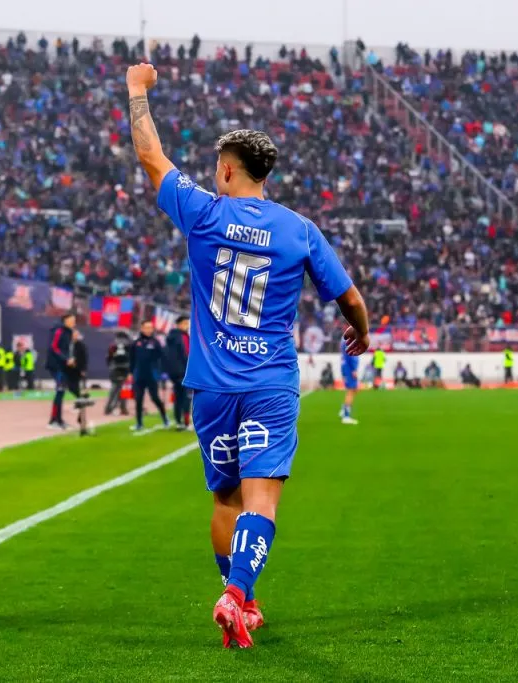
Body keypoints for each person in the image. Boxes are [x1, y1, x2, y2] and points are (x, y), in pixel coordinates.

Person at [128, 61, 369, 649]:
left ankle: (245, 599)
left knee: (225, 499)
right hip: (269, 383)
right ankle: (236, 595)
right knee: (262, 499)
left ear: (227, 170)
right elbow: (351, 299)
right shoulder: (300, 230)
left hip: (211, 386)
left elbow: (151, 158)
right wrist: (358, 331)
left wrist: (137, 92)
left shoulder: (205, 212)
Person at [129, 320, 170, 431]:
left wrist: (163, 372)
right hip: (139, 376)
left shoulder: (156, 342)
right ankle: (139, 423)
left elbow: (162, 358)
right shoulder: (135, 343)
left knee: (155, 398)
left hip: (152, 375)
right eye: (146, 327)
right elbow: (132, 359)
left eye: (150, 327)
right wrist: (130, 373)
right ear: (142, 328)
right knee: (138, 399)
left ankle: (165, 418)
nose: (148, 330)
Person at [45, 313, 76, 429]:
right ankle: (53, 421)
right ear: (65, 321)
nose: (74, 322)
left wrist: (70, 359)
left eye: (74, 320)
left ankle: (59, 419)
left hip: (62, 366)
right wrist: (65, 359)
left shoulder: (69, 332)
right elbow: (54, 347)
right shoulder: (58, 331)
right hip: (55, 365)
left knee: (62, 391)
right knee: (60, 390)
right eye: (72, 320)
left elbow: (66, 349)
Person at [165, 315, 192, 430]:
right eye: (185, 323)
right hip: (181, 372)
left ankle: (179, 421)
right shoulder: (177, 337)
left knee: (180, 397)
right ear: (179, 324)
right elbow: (175, 356)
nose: (187, 326)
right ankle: (184, 422)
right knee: (185, 397)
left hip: (181, 372)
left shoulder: (183, 336)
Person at [105, 331, 132, 416]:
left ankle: (108, 408)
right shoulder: (129, 345)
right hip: (126, 369)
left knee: (114, 388)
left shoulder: (113, 345)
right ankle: (123, 408)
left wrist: (110, 365)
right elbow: (131, 357)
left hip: (115, 368)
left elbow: (108, 357)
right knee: (125, 389)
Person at [339, 344, 359, 424]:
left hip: (347, 369)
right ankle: (346, 416)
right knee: (351, 391)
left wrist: (343, 372)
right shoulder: (351, 340)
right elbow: (352, 356)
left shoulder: (345, 340)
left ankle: (344, 409)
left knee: (354, 390)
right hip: (350, 370)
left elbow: (343, 357)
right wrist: (354, 369)